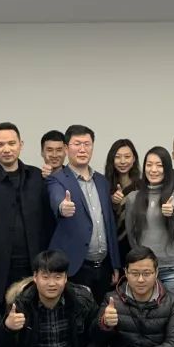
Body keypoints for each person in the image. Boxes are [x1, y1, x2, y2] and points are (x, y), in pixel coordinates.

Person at [0, 122, 51, 305]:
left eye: (11, 143)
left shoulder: (37, 176)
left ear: (20, 145)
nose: (6, 149)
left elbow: (48, 218)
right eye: (0, 144)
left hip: (35, 263)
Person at [46, 125, 121, 303]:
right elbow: (56, 198)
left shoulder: (102, 181)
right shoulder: (56, 179)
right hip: (75, 267)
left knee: (102, 315)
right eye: (77, 144)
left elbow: (109, 224)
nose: (82, 149)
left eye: (87, 144)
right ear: (66, 148)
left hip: (104, 267)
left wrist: (115, 263)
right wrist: (62, 207)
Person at [124, 147, 174, 299]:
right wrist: (141, 263)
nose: (153, 170)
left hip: (172, 270)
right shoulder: (133, 198)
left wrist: (171, 207)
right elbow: (131, 236)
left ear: (167, 169)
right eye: (149, 164)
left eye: (159, 165)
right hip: (144, 272)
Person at [106, 138, 140, 261]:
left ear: (134, 158)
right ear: (112, 159)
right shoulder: (104, 185)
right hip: (111, 248)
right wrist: (113, 203)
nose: (122, 161)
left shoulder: (141, 186)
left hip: (137, 247)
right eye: (118, 157)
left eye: (127, 156)